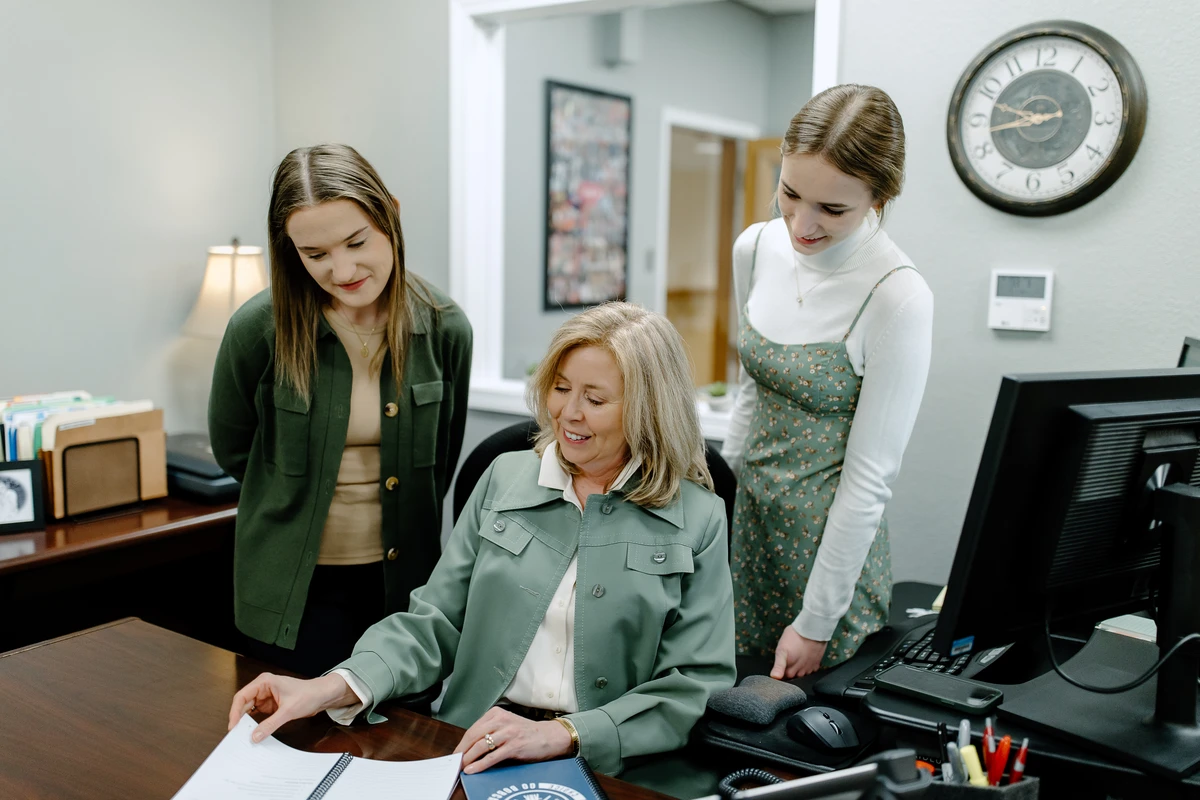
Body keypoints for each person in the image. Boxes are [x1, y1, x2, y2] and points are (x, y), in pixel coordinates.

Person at [227, 302, 736, 779]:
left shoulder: (699, 518)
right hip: (473, 739)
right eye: (560, 388)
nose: (569, 414)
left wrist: (564, 734)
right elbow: (437, 620)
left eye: (596, 399)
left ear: (649, 408)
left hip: (609, 759)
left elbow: (694, 683)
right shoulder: (504, 478)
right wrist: (331, 685)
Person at [209, 144, 473, 678]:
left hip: (404, 589)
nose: (343, 269)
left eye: (357, 242)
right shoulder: (257, 330)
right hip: (292, 592)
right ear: (291, 252)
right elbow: (236, 448)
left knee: (401, 746)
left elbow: (441, 462)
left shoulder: (446, 329)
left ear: (390, 216)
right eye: (315, 254)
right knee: (289, 745)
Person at [721, 84, 933, 680]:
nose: (802, 224)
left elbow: (870, 480)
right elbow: (750, 389)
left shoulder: (897, 296)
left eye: (833, 210)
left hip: (825, 552)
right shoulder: (756, 248)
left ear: (880, 197)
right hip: (746, 526)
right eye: (790, 193)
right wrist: (716, 501)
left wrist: (816, 620)